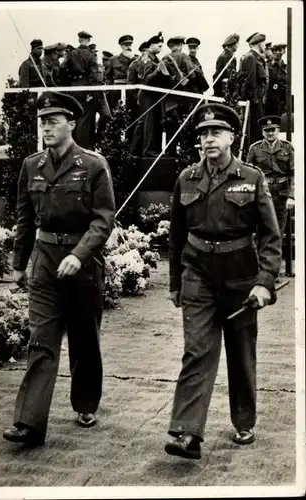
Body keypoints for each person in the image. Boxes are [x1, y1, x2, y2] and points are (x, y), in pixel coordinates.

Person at [165, 103, 281, 459]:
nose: (208, 139)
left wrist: (264, 281)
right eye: (202, 134)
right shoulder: (187, 178)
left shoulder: (251, 177)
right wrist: (175, 283)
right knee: (197, 350)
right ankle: (186, 433)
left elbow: (270, 236)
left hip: (241, 279)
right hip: (197, 273)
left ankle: (244, 420)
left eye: (215, 132)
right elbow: (176, 235)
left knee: (241, 352)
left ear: (232, 136)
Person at [2, 91, 116, 446]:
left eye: (53, 122)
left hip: (82, 265)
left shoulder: (94, 165)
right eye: (43, 122)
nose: (46, 128)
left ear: (72, 123)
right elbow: (23, 218)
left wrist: (80, 254)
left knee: (84, 340)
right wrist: (19, 265)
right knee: (42, 342)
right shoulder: (31, 165)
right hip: (46, 260)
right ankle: (28, 422)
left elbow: (103, 219)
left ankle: (85, 403)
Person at [246, 115, 294, 238]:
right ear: (262, 132)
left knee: (278, 231)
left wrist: (292, 196)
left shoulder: (287, 147)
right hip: (263, 191)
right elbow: (249, 174)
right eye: (267, 130)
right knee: (262, 229)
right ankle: (262, 257)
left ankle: (276, 256)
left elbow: (294, 173)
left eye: (273, 130)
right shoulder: (255, 149)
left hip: (281, 193)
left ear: (278, 130)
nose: (270, 133)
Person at [140, 31, 168, 157]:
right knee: (149, 123)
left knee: (157, 122)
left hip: (156, 94)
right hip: (147, 95)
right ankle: (149, 150)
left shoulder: (156, 59)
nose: (161, 49)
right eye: (159, 46)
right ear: (151, 45)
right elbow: (146, 80)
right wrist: (158, 71)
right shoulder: (146, 59)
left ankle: (155, 149)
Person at [238, 32, 268, 145]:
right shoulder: (250, 57)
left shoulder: (257, 58)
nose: (265, 46)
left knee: (258, 130)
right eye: (264, 44)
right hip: (253, 102)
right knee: (254, 132)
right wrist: (255, 101)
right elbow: (250, 82)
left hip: (259, 100)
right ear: (259, 44)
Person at [127, 41, 150, 156]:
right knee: (139, 123)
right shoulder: (134, 65)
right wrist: (137, 98)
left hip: (150, 98)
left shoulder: (152, 63)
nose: (146, 54)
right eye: (145, 52)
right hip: (138, 99)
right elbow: (130, 84)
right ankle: (133, 150)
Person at [105, 35, 136, 112]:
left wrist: (132, 59)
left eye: (130, 45)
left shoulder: (135, 59)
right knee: (117, 111)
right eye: (126, 45)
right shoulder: (114, 59)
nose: (129, 47)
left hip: (131, 90)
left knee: (132, 111)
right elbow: (108, 76)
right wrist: (111, 89)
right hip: (117, 90)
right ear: (121, 46)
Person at [213, 33, 239, 98]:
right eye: (237, 44)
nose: (238, 46)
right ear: (233, 44)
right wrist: (219, 94)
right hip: (222, 94)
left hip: (229, 93)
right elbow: (217, 78)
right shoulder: (223, 57)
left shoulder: (231, 57)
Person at [265, 44, 287, 117]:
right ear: (272, 51)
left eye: (280, 50)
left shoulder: (286, 67)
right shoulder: (267, 65)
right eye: (275, 50)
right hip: (269, 102)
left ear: (284, 51)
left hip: (282, 102)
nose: (277, 53)